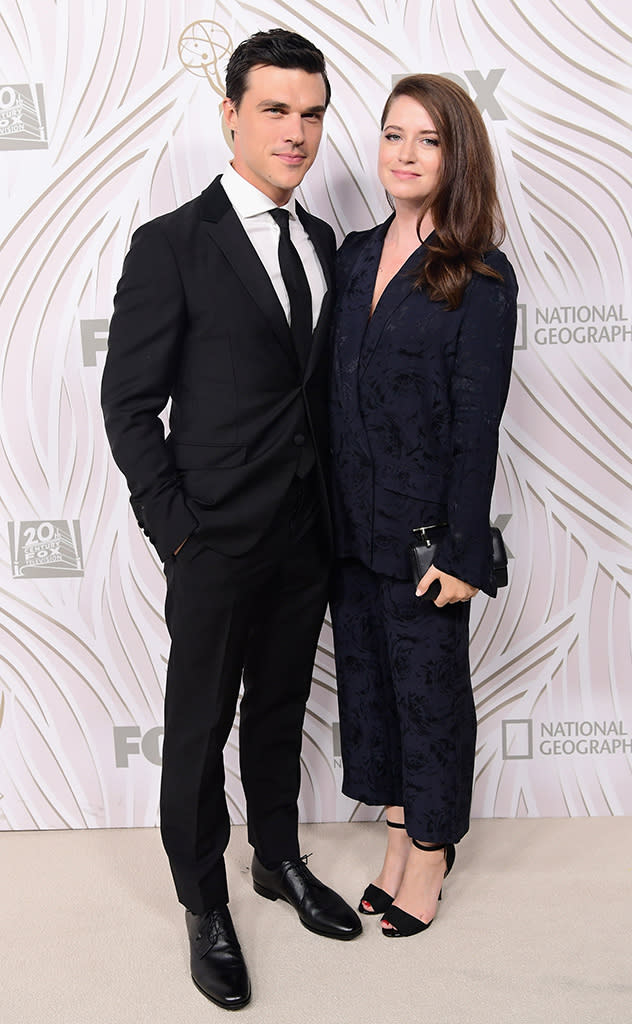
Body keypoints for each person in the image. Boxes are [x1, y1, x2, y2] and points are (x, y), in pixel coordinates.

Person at [101, 28, 361, 1011]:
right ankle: (202, 901)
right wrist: (176, 526)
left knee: (280, 713)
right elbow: (129, 405)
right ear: (231, 116)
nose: (294, 132)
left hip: (302, 536)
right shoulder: (171, 245)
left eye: (310, 113)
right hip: (210, 538)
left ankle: (275, 862)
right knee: (198, 727)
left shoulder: (322, 242)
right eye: (273, 111)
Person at [329, 74, 518, 939]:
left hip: (423, 539)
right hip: (348, 526)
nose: (404, 155)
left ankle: (433, 852)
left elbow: (479, 429)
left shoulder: (479, 273)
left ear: (457, 154)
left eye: (427, 140)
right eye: (393, 135)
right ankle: (399, 832)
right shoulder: (356, 252)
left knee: (431, 695)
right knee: (370, 689)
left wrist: (463, 554)